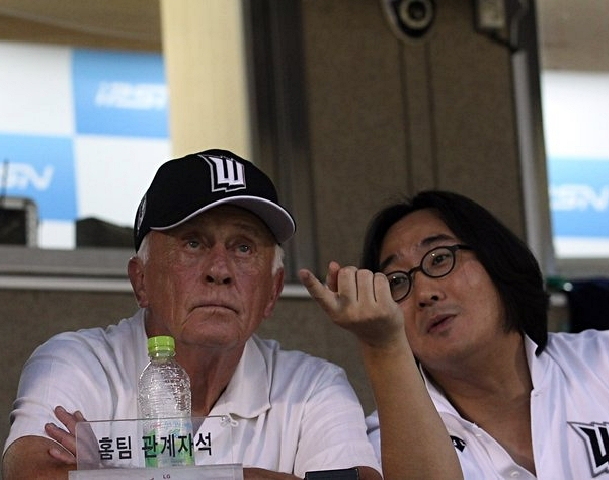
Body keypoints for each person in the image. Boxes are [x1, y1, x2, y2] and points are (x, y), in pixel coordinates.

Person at [2, 149, 382, 480]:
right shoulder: (78, 363)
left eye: (244, 247)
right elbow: (33, 474)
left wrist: (111, 474)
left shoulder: (313, 387)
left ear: (273, 290)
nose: (220, 270)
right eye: (194, 242)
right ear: (141, 280)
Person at [300, 189, 609, 479]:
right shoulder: (387, 445)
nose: (424, 293)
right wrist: (381, 344)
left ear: (496, 257)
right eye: (397, 282)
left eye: (439, 259)